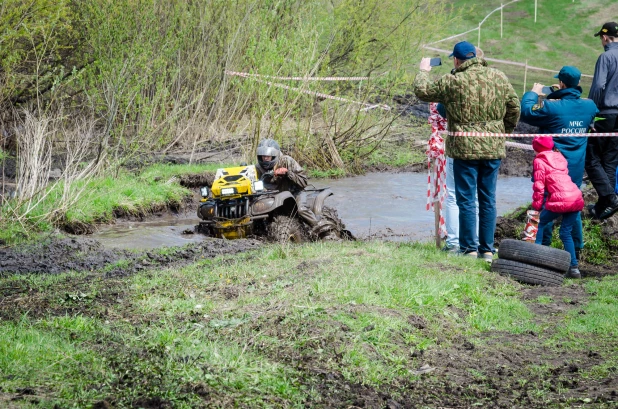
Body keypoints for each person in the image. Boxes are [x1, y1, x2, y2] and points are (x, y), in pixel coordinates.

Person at [413, 41, 520, 261]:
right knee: (488, 199)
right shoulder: (499, 77)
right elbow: (514, 107)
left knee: (466, 199)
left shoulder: (453, 81)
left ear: (456, 60)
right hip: (492, 147)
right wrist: (502, 132)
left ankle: (469, 249)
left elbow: (422, 91)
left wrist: (423, 71)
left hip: (464, 150)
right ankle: (487, 250)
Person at [519, 66, 598, 262]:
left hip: (552, 167)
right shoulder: (589, 106)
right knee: (573, 205)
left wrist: (533, 93)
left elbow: (527, 113)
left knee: (547, 203)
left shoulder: (551, 106)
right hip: (576, 167)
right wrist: (560, 95)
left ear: (561, 83)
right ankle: (576, 250)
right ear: (578, 83)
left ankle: (542, 249)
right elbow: (572, 111)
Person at [255, 138, 337, 238]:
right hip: (273, 196)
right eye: (263, 157)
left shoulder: (287, 161)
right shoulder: (257, 168)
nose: (265, 159)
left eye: (267, 157)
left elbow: (304, 181)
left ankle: (323, 231)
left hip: (294, 192)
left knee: (302, 209)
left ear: (274, 155)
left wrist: (288, 173)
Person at [531, 137, 585, 279]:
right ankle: (574, 269)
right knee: (565, 233)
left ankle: (536, 259)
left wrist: (536, 208)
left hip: (561, 200)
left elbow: (539, 187)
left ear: (536, 149)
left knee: (539, 223)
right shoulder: (559, 157)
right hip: (576, 197)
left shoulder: (539, 161)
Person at [586, 22, 618, 219]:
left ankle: (610, 198)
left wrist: (591, 111)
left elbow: (598, 85)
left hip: (604, 112)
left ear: (605, 37)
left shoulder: (606, 57)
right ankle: (603, 204)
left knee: (591, 158)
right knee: (610, 159)